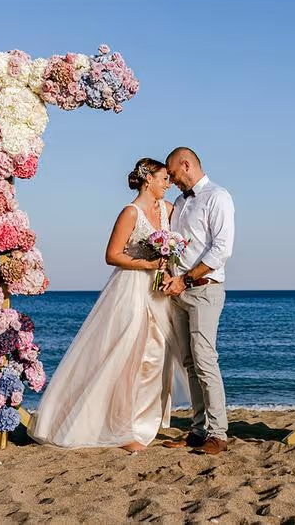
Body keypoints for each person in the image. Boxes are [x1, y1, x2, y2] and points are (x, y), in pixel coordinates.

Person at [29, 158, 186, 452]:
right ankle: (121, 428)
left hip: (159, 291)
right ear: (147, 179)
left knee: (156, 357)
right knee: (127, 356)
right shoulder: (130, 212)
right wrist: (146, 262)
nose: (168, 184)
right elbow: (112, 255)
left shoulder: (168, 211)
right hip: (131, 288)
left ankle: (144, 421)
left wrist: (167, 267)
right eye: (164, 178)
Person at [160, 147, 235, 455]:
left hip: (203, 289)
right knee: (190, 362)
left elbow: (221, 250)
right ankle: (198, 429)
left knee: (205, 360)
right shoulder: (180, 201)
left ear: (186, 165)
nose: (172, 180)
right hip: (177, 292)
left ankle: (219, 433)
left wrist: (186, 279)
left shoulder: (218, 197)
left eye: (173, 174)